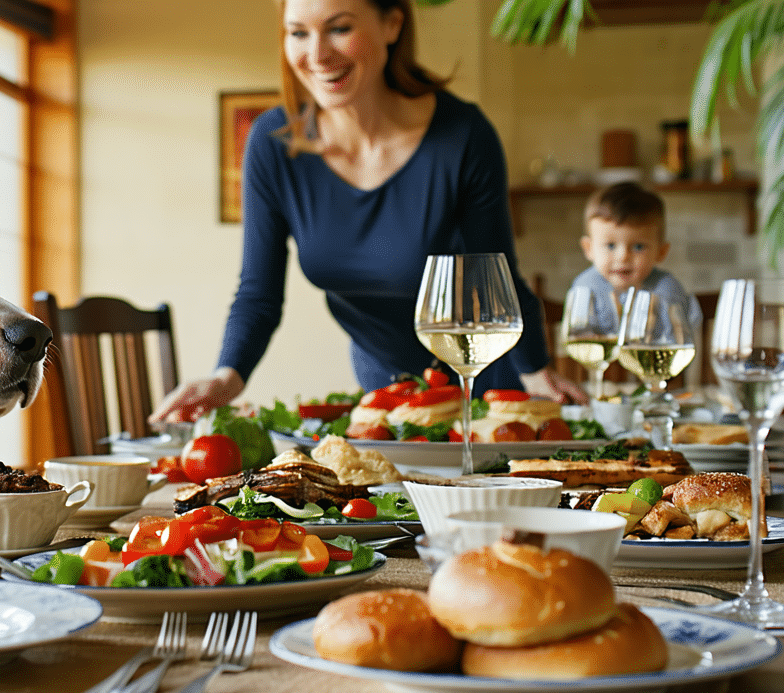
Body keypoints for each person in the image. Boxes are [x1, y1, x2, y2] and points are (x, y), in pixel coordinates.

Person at [152, 0, 584, 425]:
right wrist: (227, 376)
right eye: (298, 32)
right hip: (383, 389)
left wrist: (537, 373)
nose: (317, 55)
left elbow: (498, 278)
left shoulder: (463, 136)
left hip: (483, 381)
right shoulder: (273, 142)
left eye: (339, 28)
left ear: (392, 24)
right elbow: (258, 293)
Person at [572, 181, 703, 332]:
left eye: (638, 247)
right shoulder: (584, 287)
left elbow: (677, 340)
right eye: (610, 246)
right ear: (589, 249)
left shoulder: (668, 290)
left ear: (661, 251)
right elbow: (578, 338)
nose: (623, 257)